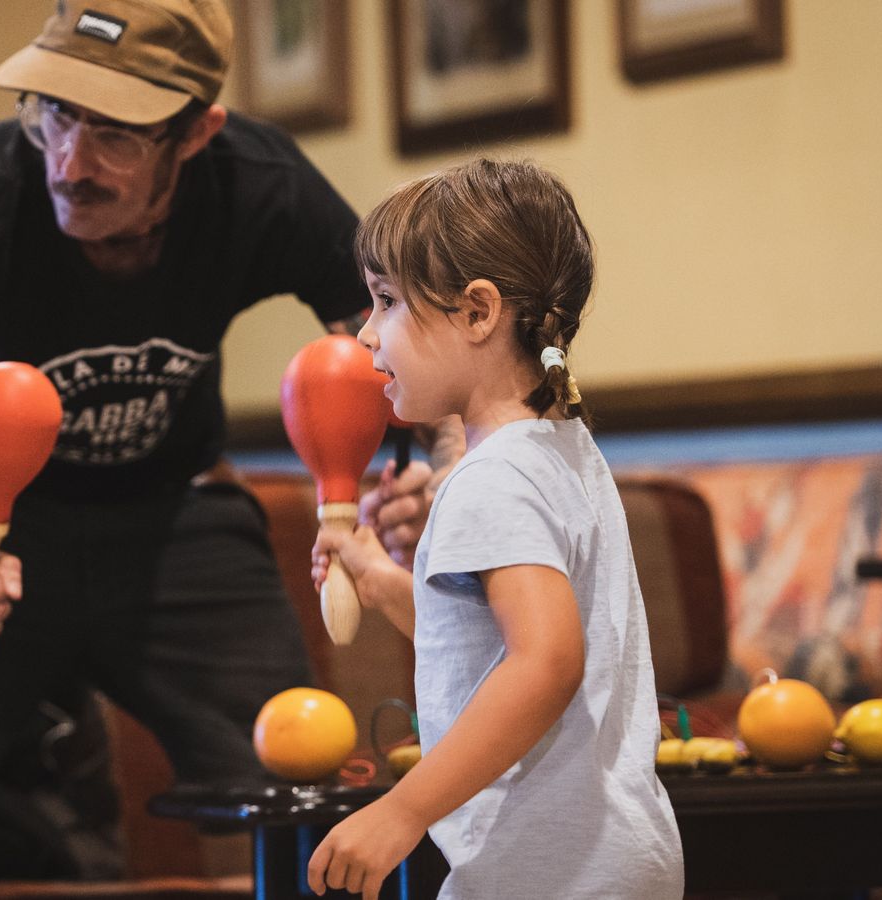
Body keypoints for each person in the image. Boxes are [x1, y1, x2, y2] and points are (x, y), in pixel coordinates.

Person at [0, 2, 447, 897]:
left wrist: (437, 474)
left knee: (312, 770)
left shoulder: (260, 185)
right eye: (52, 111)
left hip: (166, 514)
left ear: (197, 132)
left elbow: (420, 356)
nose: (70, 160)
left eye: (115, 132)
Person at [305, 159, 684, 899]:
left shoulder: (490, 479)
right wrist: (384, 582)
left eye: (385, 302)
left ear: (478, 313)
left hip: (550, 869)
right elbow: (495, 645)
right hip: (617, 853)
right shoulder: (563, 447)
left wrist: (403, 811)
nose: (366, 335)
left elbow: (544, 663)